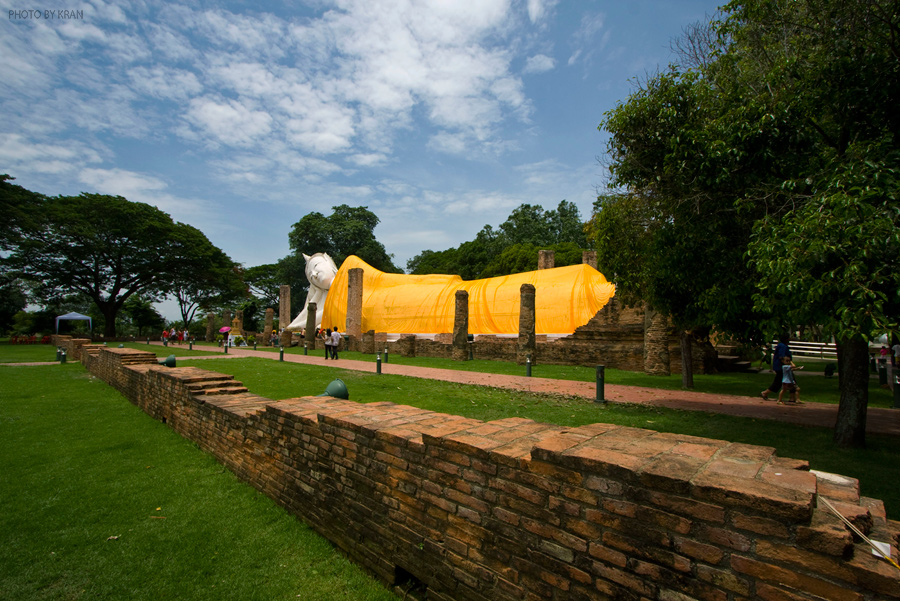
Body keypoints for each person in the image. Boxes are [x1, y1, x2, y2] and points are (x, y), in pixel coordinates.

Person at [761, 334, 792, 401]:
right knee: (778, 381)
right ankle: (765, 393)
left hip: (782, 366)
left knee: (785, 381)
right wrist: (787, 363)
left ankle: (792, 397)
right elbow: (781, 356)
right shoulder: (782, 346)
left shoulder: (782, 345)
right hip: (781, 367)